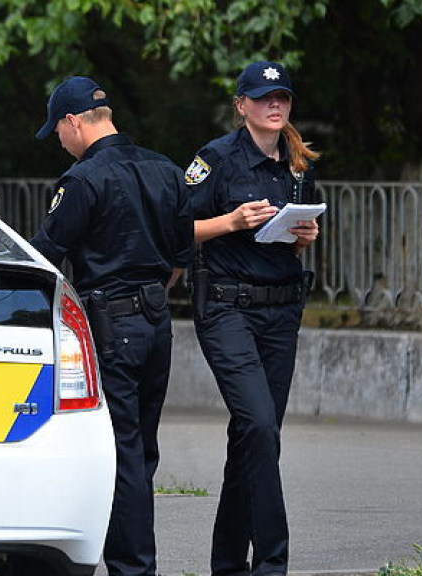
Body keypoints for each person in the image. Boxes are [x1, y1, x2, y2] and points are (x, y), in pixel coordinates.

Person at [29, 76, 193, 576]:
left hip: (111, 323)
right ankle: (136, 563)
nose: (58, 141)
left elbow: (45, 260)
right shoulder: (167, 171)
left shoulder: (82, 180)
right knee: (142, 451)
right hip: (156, 322)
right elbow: (179, 258)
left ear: (74, 121)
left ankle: (133, 568)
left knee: (120, 453)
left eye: (57, 130)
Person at [185, 60, 321, 576]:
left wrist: (306, 235)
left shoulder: (298, 163)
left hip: (281, 309)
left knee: (255, 436)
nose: (275, 106)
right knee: (260, 426)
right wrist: (230, 221)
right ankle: (271, 562)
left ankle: (227, 564)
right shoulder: (214, 159)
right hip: (226, 309)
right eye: (264, 98)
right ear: (241, 105)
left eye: (282, 97)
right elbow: (176, 230)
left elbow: (300, 227)